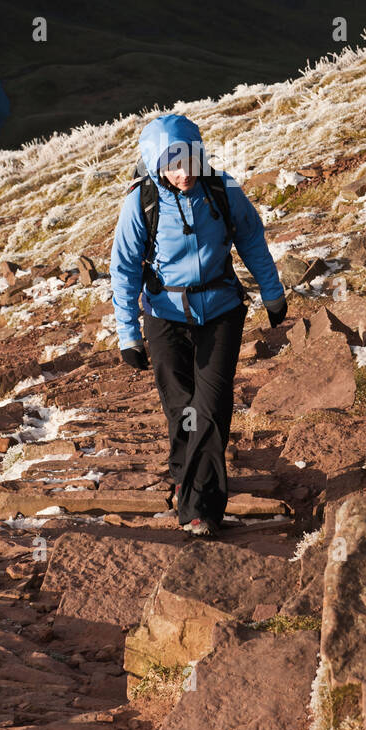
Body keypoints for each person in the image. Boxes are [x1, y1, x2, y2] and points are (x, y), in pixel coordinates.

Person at [110, 113, 287, 537]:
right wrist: (128, 334)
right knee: (181, 407)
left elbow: (251, 240)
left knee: (209, 408)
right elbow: (124, 270)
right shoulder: (140, 203)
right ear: (156, 165)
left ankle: (199, 507)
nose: (183, 173)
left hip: (221, 309)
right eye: (171, 165)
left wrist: (273, 293)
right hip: (164, 316)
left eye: (188, 162)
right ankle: (183, 466)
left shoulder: (222, 191)